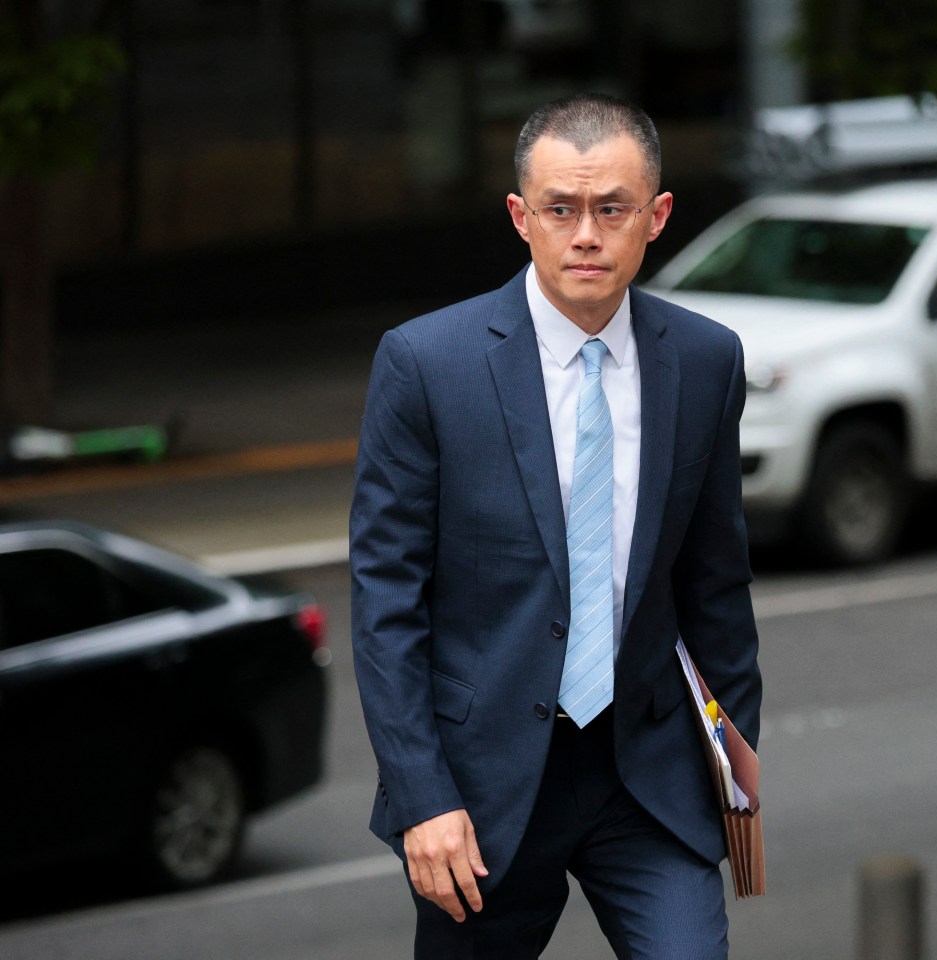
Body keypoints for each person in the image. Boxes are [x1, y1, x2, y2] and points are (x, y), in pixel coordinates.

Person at [350, 92, 762, 960]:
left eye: (611, 209)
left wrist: (732, 765)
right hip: (482, 788)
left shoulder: (705, 359)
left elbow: (716, 579)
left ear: (656, 218)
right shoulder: (427, 364)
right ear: (520, 217)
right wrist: (423, 795)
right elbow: (386, 603)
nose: (586, 234)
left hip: (647, 777)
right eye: (561, 209)